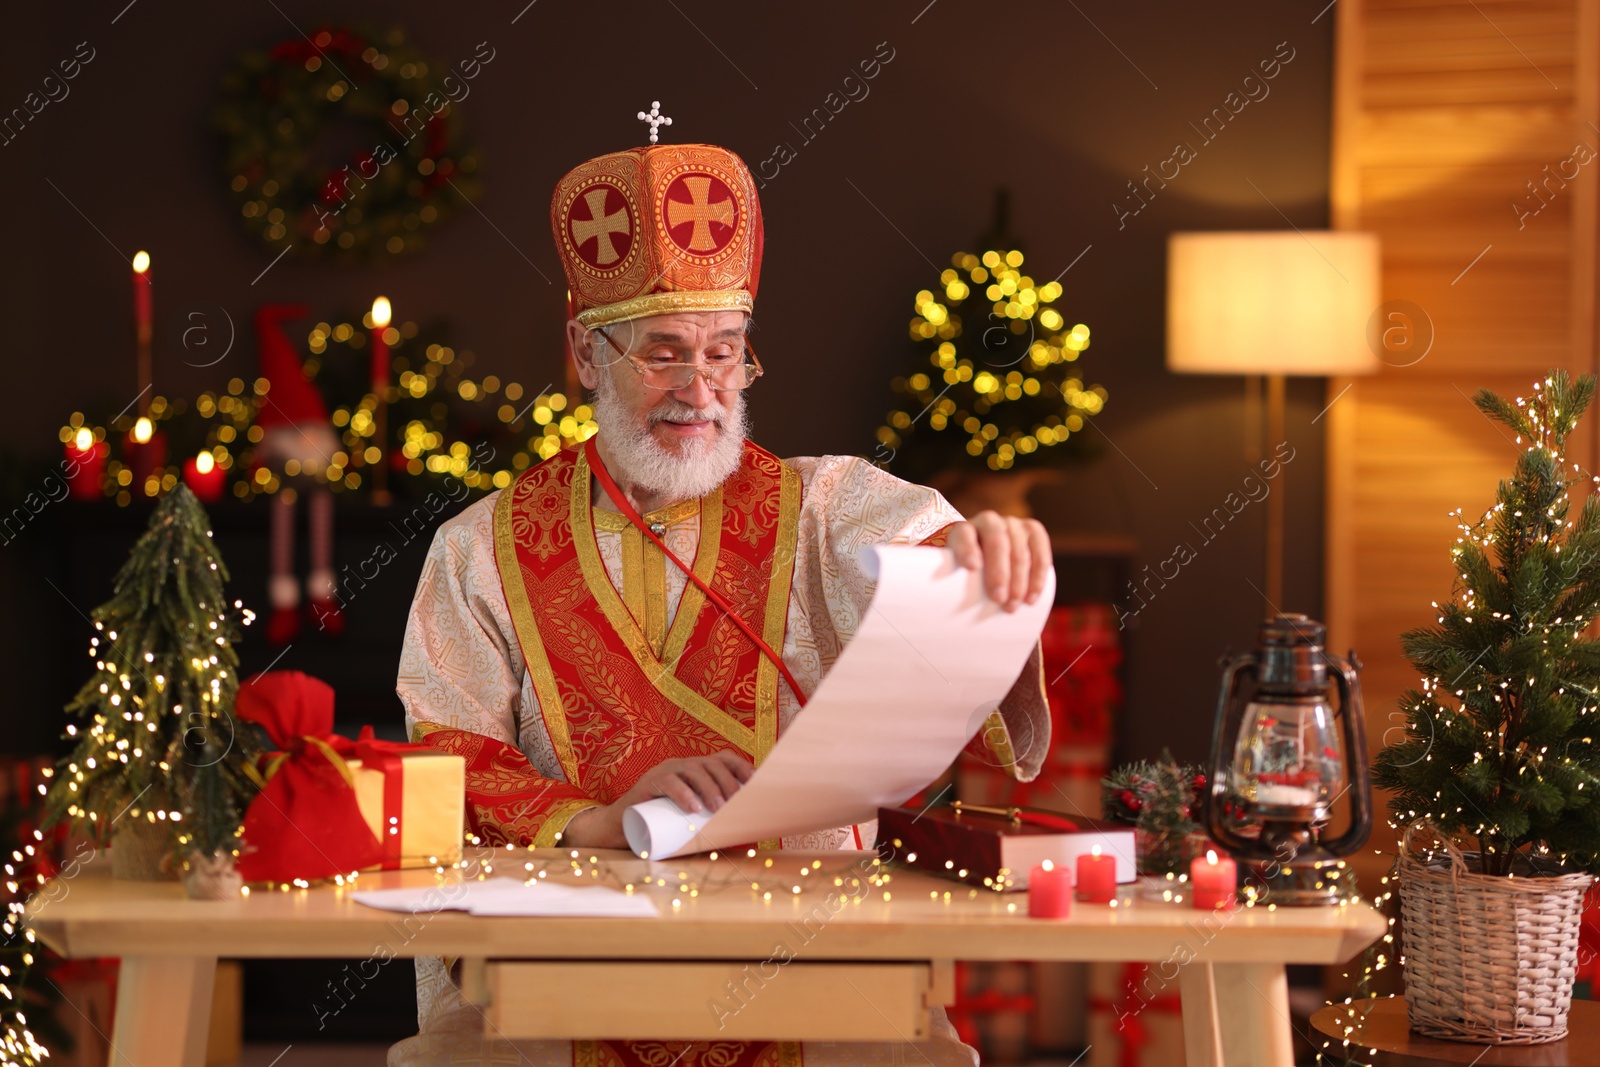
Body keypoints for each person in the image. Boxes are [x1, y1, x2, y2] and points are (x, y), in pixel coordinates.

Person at [388, 138, 1054, 1067]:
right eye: (663, 354)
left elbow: (922, 554)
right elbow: (443, 761)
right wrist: (603, 820)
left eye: (725, 353)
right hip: (570, 960)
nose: (699, 390)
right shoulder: (478, 547)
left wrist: (979, 563)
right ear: (585, 350)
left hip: (813, 955)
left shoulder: (823, 506)